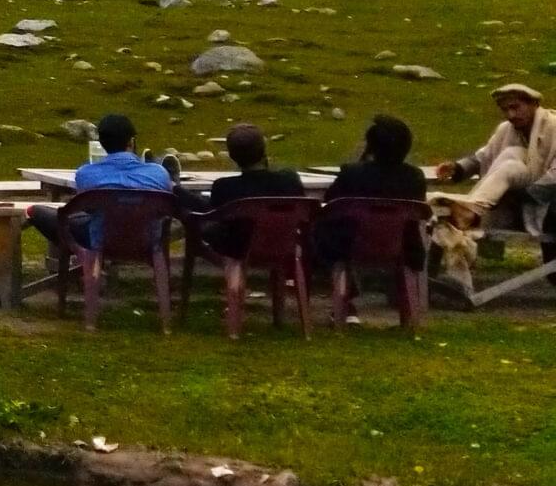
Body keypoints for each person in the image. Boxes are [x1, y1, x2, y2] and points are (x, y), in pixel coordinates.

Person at [319, 114, 432, 321]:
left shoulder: (352, 174)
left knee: (320, 230)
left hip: (350, 245)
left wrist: (360, 161)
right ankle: (409, 313)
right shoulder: (414, 177)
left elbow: (329, 204)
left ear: (370, 146)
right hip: (402, 246)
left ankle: (345, 300)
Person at [433, 84, 556, 261]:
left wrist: (522, 195)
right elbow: (483, 156)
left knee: (510, 156)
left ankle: (471, 210)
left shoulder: (553, 127)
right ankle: (472, 210)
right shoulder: (506, 129)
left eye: (515, 107)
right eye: (505, 109)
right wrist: (457, 167)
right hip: (515, 206)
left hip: (549, 208)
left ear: (534, 104)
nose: (510, 115)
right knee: (511, 155)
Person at [28, 112, 172, 257]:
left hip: (101, 242)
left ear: (101, 144)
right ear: (131, 142)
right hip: (148, 241)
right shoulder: (159, 173)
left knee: (38, 212)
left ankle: (82, 263)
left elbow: (87, 208)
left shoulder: (86, 174)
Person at [193, 122, 303, 258]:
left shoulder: (224, 186)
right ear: (264, 150)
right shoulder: (289, 179)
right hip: (282, 238)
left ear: (232, 156)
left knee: (201, 216)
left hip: (238, 245)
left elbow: (215, 215)